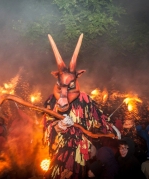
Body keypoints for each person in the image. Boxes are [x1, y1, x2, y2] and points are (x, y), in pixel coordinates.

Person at [43, 34, 115, 179]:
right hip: (60, 151)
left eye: (70, 86)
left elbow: (99, 119)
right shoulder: (51, 101)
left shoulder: (85, 100)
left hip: (82, 152)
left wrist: (111, 129)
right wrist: (59, 126)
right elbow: (46, 128)